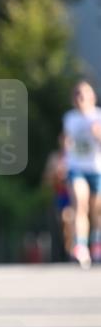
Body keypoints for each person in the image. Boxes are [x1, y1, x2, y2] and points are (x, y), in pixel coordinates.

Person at [62, 80, 101, 269]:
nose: (80, 97)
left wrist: (98, 134)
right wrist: (65, 145)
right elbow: (66, 141)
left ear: (92, 96)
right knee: (80, 203)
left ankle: (96, 243)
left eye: (84, 93)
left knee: (96, 212)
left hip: (96, 169)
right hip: (76, 168)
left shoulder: (99, 116)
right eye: (77, 94)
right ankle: (81, 246)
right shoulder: (69, 118)